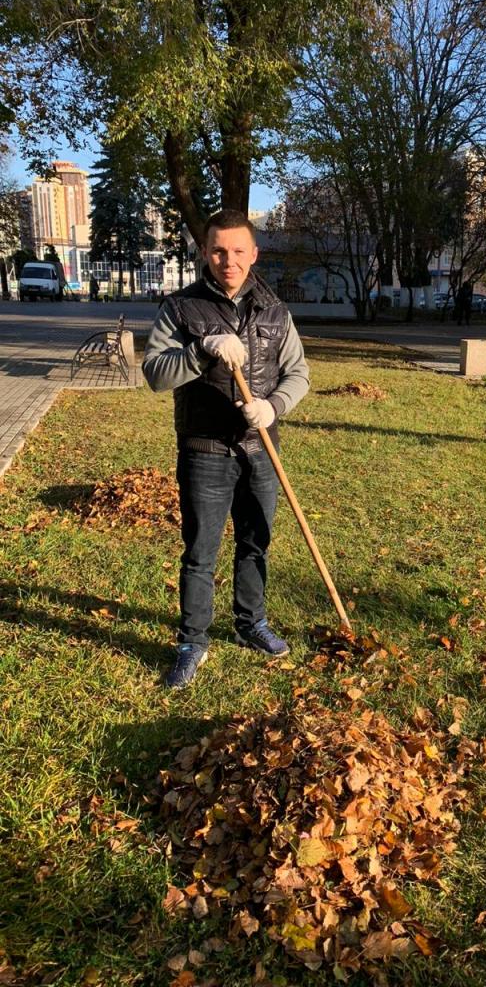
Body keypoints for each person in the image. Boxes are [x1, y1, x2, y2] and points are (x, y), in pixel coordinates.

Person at [143, 209, 310, 689]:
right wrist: (201, 350)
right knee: (200, 551)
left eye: (239, 251)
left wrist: (274, 407)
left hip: (260, 450)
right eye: (219, 250)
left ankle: (250, 623)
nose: (229, 260)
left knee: (256, 541)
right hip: (205, 449)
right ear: (205, 252)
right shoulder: (180, 308)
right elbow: (155, 374)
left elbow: (298, 373)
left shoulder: (276, 309)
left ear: (254, 254)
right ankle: (192, 641)